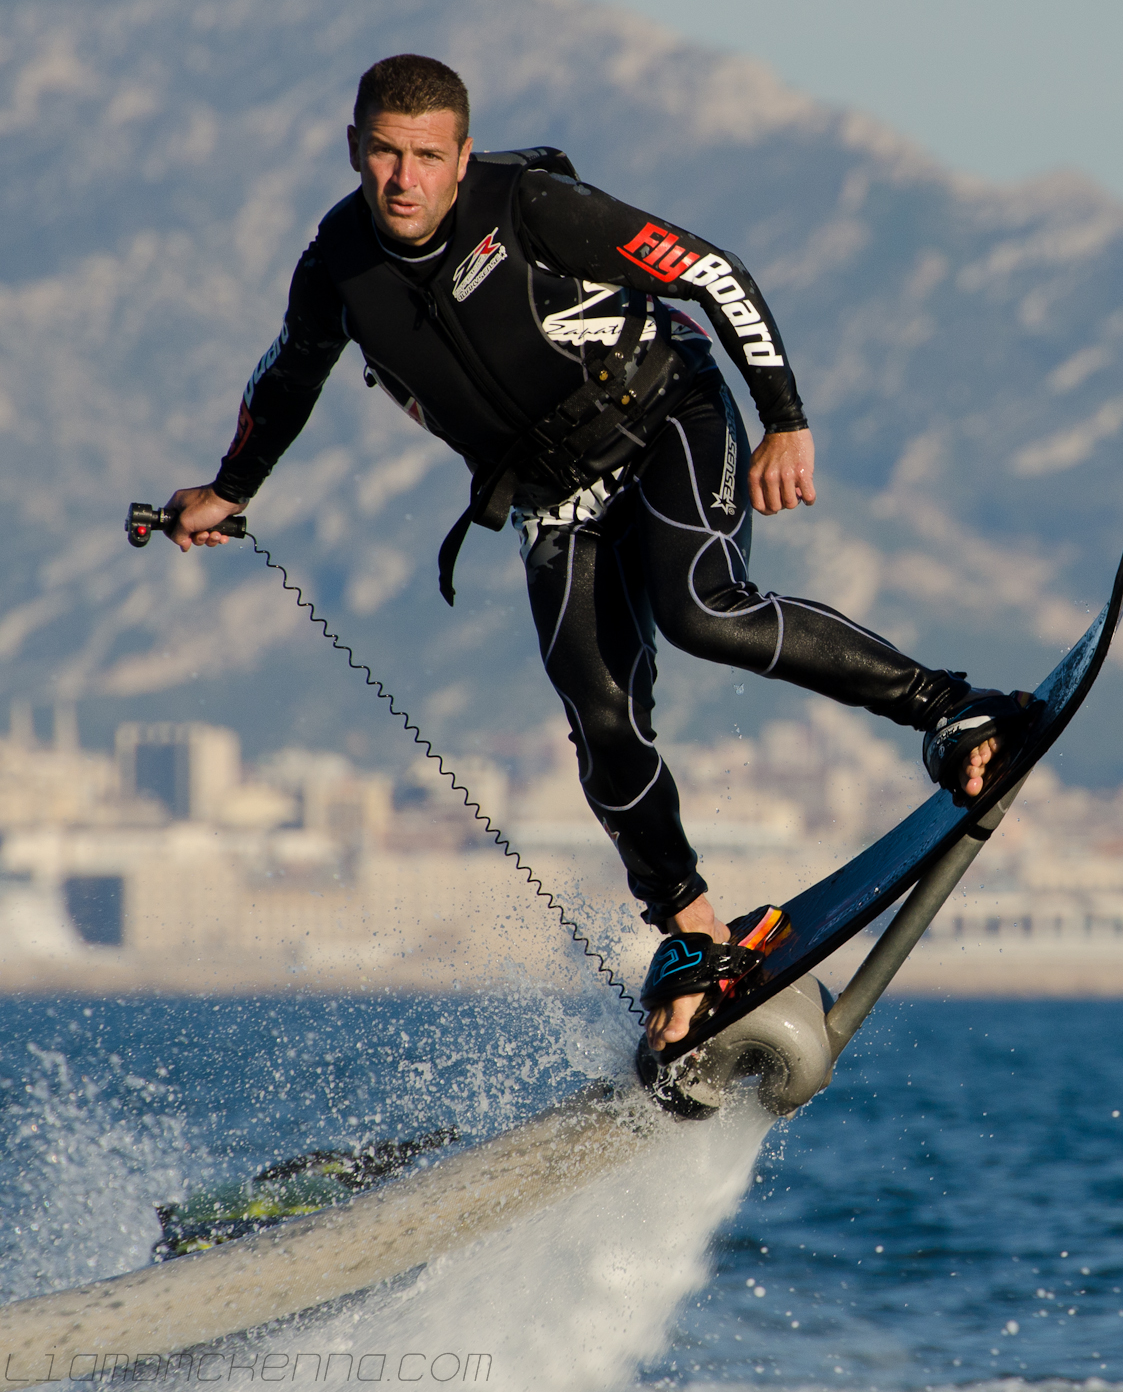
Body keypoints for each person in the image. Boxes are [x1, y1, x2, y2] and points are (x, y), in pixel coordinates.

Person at [162, 55, 1029, 1053]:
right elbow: (287, 376)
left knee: (702, 607)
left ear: (461, 157)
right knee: (600, 710)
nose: (404, 179)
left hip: (664, 414)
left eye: (426, 157)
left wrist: (783, 420)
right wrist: (229, 491)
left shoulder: (532, 206)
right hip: (552, 491)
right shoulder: (337, 266)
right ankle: (693, 935)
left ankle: (953, 708)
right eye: (385, 154)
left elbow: (710, 272)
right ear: (353, 147)